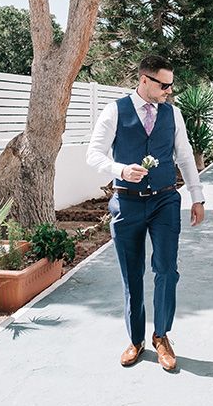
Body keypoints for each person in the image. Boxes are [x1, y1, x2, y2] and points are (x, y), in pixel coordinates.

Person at [86, 55, 205, 371]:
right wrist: (120, 169)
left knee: (167, 269)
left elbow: (185, 156)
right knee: (132, 274)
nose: (169, 90)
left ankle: (162, 336)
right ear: (144, 80)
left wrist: (197, 196)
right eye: (164, 84)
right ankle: (135, 340)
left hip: (165, 200)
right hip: (127, 203)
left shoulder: (173, 114)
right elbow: (93, 154)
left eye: (170, 85)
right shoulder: (115, 110)